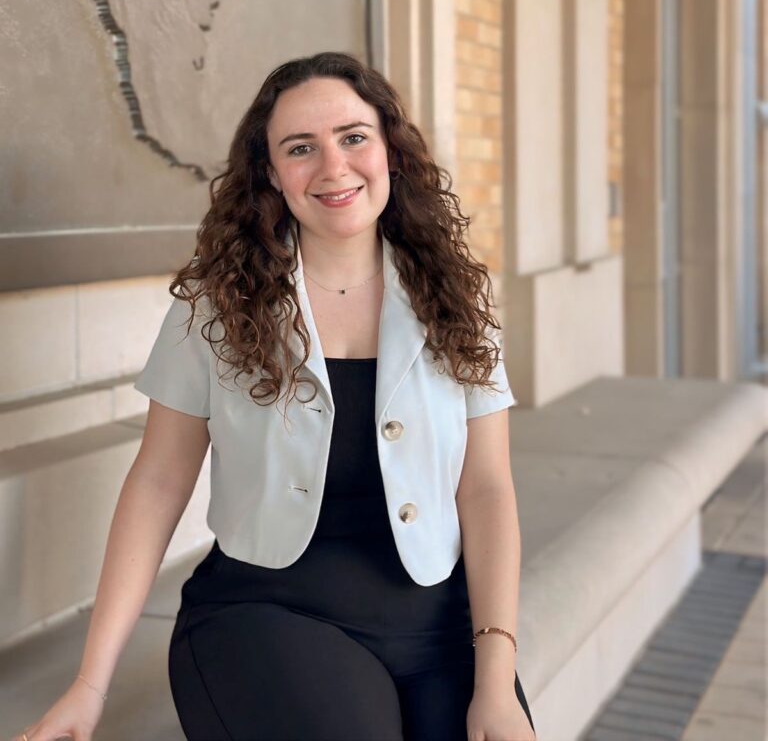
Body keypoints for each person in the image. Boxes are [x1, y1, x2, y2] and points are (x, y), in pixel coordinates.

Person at [14, 52, 536, 741]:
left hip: (436, 624)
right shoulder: (215, 305)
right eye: (301, 148)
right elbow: (159, 481)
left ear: (391, 152)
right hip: (265, 616)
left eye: (353, 137)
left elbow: (488, 490)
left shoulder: (457, 301)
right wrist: (89, 685)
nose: (333, 166)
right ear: (270, 174)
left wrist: (495, 682)